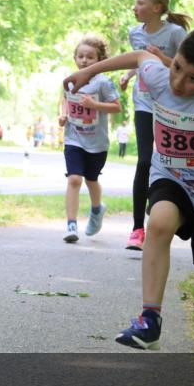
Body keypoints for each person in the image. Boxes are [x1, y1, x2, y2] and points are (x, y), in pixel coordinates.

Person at [64, 26, 194, 373]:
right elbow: (139, 57)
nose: (179, 82)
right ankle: (150, 319)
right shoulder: (160, 76)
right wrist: (89, 71)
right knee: (160, 222)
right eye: (177, 67)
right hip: (170, 177)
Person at [117, 0, 191, 251]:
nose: (134, 8)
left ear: (157, 8)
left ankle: (167, 206)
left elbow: (187, 67)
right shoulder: (134, 33)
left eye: (140, 3)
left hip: (171, 105)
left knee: (169, 158)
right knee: (145, 160)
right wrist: (128, 75)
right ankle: (138, 228)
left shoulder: (175, 33)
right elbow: (139, 62)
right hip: (144, 102)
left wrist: (162, 57)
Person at [57, 35, 121, 242]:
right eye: (81, 56)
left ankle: (96, 210)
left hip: (97, 143)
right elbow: (64, 101)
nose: (84, 60)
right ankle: (71, 225)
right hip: (74, 138)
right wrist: (63, 114)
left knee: (91, 179)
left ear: (100, 60)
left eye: (90, 57)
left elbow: (116, 107)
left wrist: (95, 106)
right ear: (75, 58)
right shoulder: (70, 80)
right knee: (74, 179)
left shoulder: (103, 83)